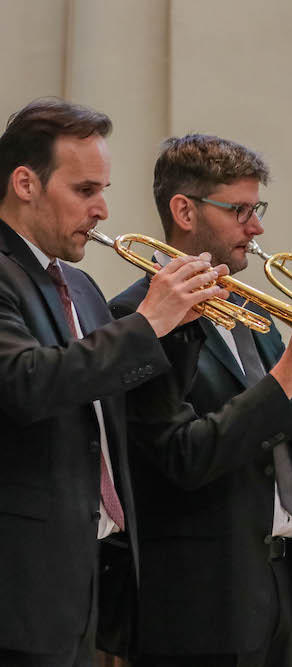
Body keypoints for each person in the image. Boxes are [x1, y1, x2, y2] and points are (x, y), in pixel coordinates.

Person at [109, 134, 292, 666]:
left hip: (280, 586)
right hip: (200, 601)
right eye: (240, 211)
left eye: (257, 210)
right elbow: (186, 456)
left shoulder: (256, 318)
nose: (256, 229)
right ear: (184, 210)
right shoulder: (135, 321)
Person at [0, 99, 227, 666]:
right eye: (84, 191)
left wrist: (182, 325)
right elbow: (26, 383)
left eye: (103, 189)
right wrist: (149, 320)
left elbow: (126, 402)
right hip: (17, 585)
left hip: (86, 581)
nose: (103, 209)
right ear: (25, 183)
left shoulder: (80, 287)